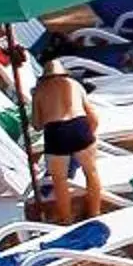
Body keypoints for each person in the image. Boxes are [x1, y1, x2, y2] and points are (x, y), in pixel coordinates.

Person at [29, 60, 103, 225]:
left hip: (56, 132)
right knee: (91, 172)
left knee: (59, 180)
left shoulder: (39, 91)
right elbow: (93, 116)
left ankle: (66, 219)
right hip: (79, 125)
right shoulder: (74, 85)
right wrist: (90, 135)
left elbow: (37, 124)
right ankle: (94, 212)